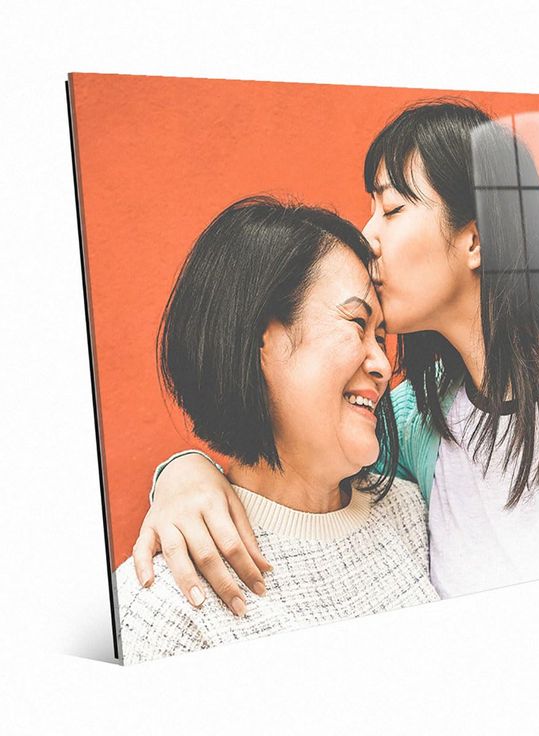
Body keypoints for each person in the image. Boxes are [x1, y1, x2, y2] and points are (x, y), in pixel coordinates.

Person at [134, 99, 539, 608]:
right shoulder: (411, 419)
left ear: (476, 241)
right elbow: (286, 463)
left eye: (390, 208)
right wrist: (184, 474)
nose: (367, 237)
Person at [115, 197, 439, 664]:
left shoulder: (411, 513)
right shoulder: (161, 605)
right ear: (258, 340)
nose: (383, 365)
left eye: (382, 337)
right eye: (357, 324)